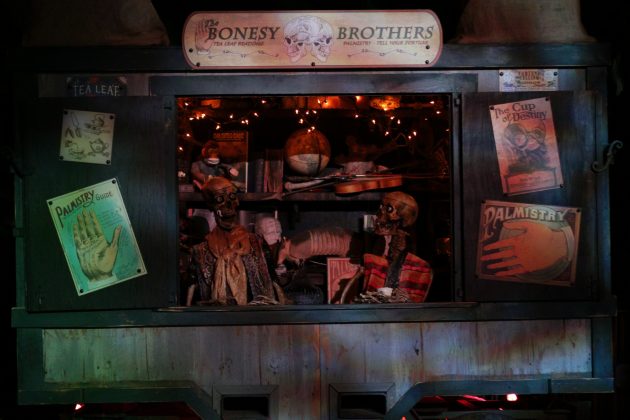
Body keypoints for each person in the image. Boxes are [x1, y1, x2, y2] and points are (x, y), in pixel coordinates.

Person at [187, 176, 287, 306]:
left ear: (237, 201)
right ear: (211, 206)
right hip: (216, 318)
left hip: (255, 317)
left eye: (232, 197)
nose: (228, 204)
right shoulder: (200, 252)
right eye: (220, 199)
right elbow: (191, 298)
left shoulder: (257, 243)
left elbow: (274, 286)